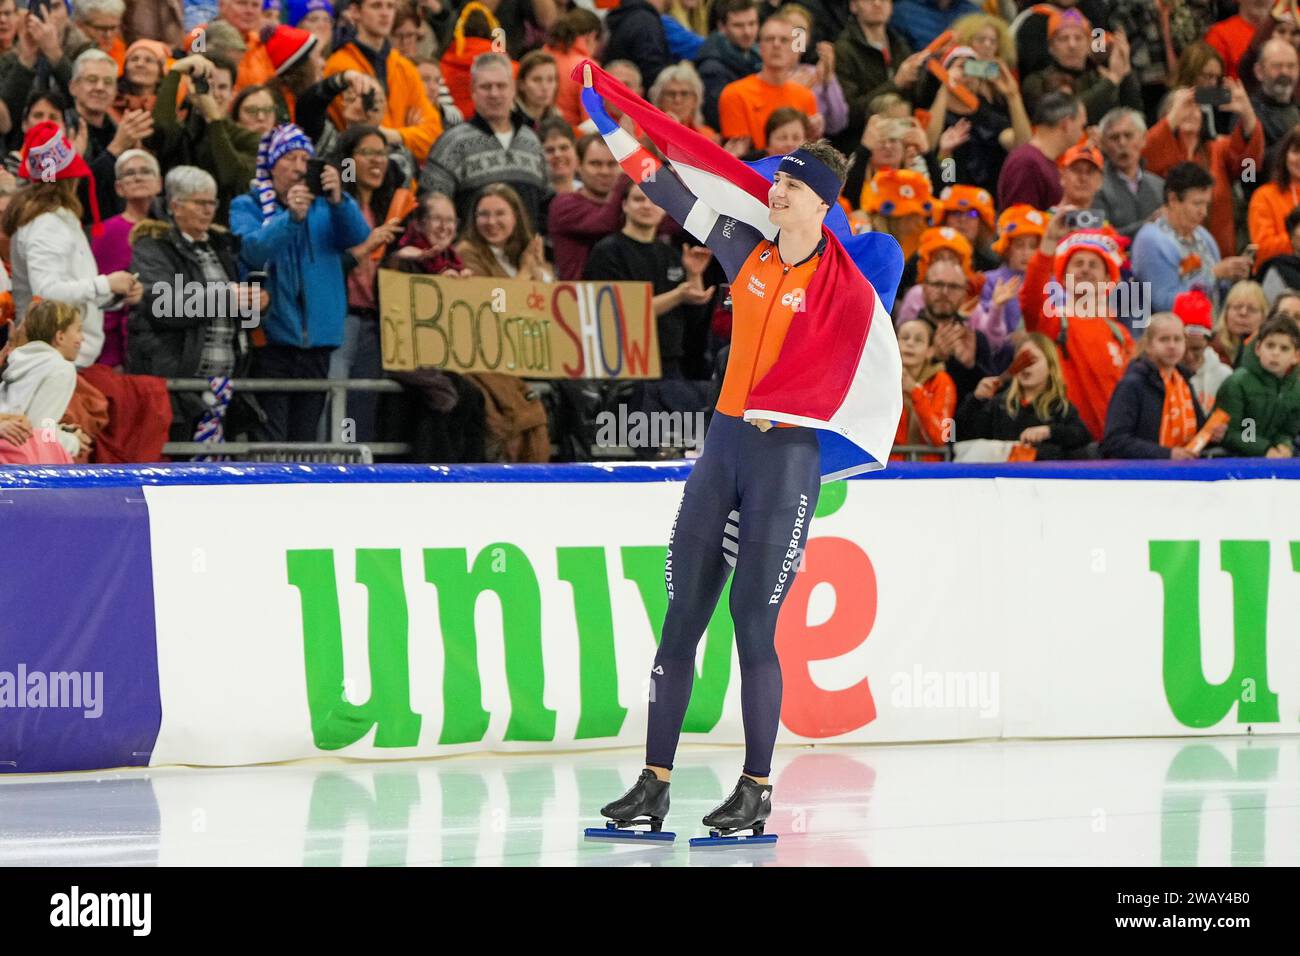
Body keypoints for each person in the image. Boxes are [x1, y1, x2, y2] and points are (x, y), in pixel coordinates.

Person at [581, 61, 900, 838]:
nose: (775, 190)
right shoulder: (742, 248)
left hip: (783, 461)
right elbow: (666, 185)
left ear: (821, 207)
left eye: (790, 186)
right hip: (721, 449)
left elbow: (877, 343)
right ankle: (654, 782)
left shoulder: (846, 287)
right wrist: (610, 120)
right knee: (679, 619)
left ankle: (757, 787)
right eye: (776, 181)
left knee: (754, 627)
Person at [229, 123, 370, 441]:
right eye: (289, 158)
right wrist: (289, 219)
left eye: (305, 159)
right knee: (271, 444)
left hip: (319, 342)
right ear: (271, 164)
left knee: (305, 440)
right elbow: (252, 250)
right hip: (272, 342)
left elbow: (359, 236)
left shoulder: (327, 208)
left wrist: (339, 200)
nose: (298, 167)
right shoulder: (247, 205)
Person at [128, 165, 259, 444]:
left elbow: (239, 314)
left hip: (224, 388)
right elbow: (161, 306)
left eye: (212, 202)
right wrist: (226, 298)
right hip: (179, 390)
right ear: (175, 205)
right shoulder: (154, 248)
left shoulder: (221, 246)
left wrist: (256, 303)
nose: (208, 210)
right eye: (200, 202)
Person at [4, 121, 141, 369]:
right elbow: (46, 292)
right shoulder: (46, 224)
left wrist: (113, 293)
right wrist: (105, 283)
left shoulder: (56, 219)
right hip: (51, 358)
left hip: (62, 357)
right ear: (70, 179)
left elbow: (70, 289)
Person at [1019, 213, 1137, 441]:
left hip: (1112, 449)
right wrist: (1048, 244)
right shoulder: (1053, 323)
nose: (1085, 270)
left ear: (1107, 279)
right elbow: (1032, 298)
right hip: (1066, 447)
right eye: (1078, 264)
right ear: (1063, 278)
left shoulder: (1120, 335)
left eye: (1093, 265)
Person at [420, 52, 549, 230]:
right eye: (486, 87)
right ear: (473, 90)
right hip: (470, 255)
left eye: (501, 86)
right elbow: (430, 209)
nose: (494, 94)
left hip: (526, 255)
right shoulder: (452, 143)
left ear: (513, 89)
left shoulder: (532, 141)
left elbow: (545, 204)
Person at [1142, 83, 1262, 259]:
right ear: (1166, 117)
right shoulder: (1159, 148)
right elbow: (1144, 157)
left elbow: (1248, 173)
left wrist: (1248, 116)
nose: (1191, 112)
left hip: (1220, 254)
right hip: (1171, 253)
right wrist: (1172, 117)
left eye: (1196, 108)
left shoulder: (1218, 150)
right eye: (1184, 107)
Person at [323, 0, 442, 163]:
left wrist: (394, 135)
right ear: (356, 12)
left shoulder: (405, 67)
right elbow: (364, 134)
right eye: (376, 6)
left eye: (390, 6)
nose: (385, 13)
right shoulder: (340, 68)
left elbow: (434, 136)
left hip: (403, 179)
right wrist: (410, 132)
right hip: (352, 171)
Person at [1131, 162, 1252, 315]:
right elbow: (1164, 303)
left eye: (1206, 204)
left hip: (1209, 329)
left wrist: (1232, 277)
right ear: (1173, 199)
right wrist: (1213, 274)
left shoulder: (1203, 236)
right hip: (1171, 334)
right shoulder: (1150, 241)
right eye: (1197, 204)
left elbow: (1218, 295)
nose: (1204, 212)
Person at [1100, 311, 1219, 458]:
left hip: (1184, 470)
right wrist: (1167, 454)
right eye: (1164, 339)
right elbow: (1114, 441)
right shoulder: (1132, 384)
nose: (1172, 346)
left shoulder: (1184, 381)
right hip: (1143, 476)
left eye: (1177, 339)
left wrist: (1212, 435)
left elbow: (1199, 431)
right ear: (1148, 346)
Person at [956, 333, 1091, 460]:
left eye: (1033, 360)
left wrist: (1049, 431)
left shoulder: (1059, 406)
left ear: (1050, 367)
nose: (1026, 367)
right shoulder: (999, 404)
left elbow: (1082, 435)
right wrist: (975, 400)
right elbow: (959, 435)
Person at [90, 148, 159, 370]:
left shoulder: (171, 230)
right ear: (119, 188)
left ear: (159, 183)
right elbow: (103, 299)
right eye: (129, 173)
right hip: (119, 351)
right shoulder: (107, 232)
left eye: (145, 171)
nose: (138, 177)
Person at [717, 10, 820, 154]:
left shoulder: (806, 96)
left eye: (784, 40)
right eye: (769, 39)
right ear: (760, 47)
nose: (776, 45)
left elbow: (809, 153)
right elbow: (740, 156)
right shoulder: (734, 94)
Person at [0, 298, 87, 461]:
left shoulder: (18, 360)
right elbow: (40, 433)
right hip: (17, 462)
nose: (82, 338)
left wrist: (60, 431)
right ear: (60, 336)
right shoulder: (61, 368)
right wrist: (73, 442)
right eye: (79, 330)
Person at [833, 0, 922, 152]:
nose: (877, 3)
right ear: (853, 6)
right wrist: (895, 83)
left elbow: (918, 100)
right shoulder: (843, 50)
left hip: (902, 143)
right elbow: (848, 114)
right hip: (859, 147)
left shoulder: (900, 44)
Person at [1214, 314, 1300, 455]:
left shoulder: (1296, 390)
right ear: (1258, 348)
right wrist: (1265, 449)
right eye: (1270, 346)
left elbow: (1287, 431)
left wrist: (1284, 445)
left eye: (1284, 348)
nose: (1275, 353)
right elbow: (1228, 433)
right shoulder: (1237, 383)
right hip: (1232, 458)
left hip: (1272, 458)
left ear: (1296, 356)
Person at [548, 133, 626, 280]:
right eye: (595, 164)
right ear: (578, 165)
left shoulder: (628, 204)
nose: (604, 171)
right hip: (578, 298)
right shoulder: (564, 204)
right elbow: (604, 223)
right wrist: (623, 180)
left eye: (612, 164)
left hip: (626, 296)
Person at [997, 92, 1084, 212]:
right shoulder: (1027, 162)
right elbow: (1021, 223)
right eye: (1081, 126)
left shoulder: (1041, 161)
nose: (1082, 134)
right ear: (1066, 124)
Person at [455, 182, 553, 280]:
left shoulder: (526, 248)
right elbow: (489, 295)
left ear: (516, 216)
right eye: (484, 214)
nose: (491, 222)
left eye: (500, 213)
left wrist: (538, 265)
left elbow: (549, 288)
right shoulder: (466, 252)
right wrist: (526, 270)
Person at [1095, 106, 1165, 241]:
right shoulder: (1096, 187)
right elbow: (1098, 236)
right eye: (1114, 138)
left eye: (1128, 135)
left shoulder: (1159, 186)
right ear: (1103, 144)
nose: (1122, 143)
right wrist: (1147, 226)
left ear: (1143, 139)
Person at [892, 315, 955, 461]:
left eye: (918, 340)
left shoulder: (942, 381)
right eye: (904, 338)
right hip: (889, 467)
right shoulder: (883, 379)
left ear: (930, 351)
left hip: (927, 471)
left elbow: (941, 437)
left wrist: (915, 392)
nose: (910, 344)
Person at [695, 0, 760, 131]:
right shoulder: (712, 69)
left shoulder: (756, 55)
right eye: (738, 25)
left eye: (752, 24)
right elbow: (720, 119)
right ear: (722, 27)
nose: (747, 32)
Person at [1173, 288, 1233, 412]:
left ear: (1207, 343)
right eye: (1184, 349)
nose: (1189, 357)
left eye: (1196, 349)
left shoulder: (1224, 377)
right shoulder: (1161, 378)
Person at [1248, 126, 1300, 266]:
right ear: (1285, 155)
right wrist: (1294, 239)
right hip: (1278, 273)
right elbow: (1263, 248)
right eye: (1296, 151)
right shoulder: (1264, 196)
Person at [602, 0, 671, 94]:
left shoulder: (622, 15)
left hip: (616, 93)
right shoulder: (645, 22)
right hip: (636, 98)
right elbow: (652, 69)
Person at [1248, 36, 1300, 148]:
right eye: (1277, 66)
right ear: (1259, 71)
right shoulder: (1248, 113)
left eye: (1291, 66)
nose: (1285, 72)